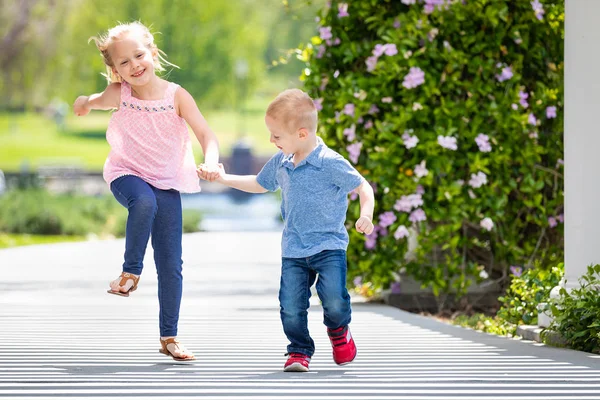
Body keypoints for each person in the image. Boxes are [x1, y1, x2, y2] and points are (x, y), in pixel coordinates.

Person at [73, 21, 221, 361]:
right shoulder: (119, 94)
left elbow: (205, 134)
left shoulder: (176, 96)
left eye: (138, 56)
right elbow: (93, 101)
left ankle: (169, 337)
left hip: (167, 179)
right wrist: (83, 102)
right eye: (123, 63)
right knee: (143, 200)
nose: (134, 66)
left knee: (171, 264)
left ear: (152, 53)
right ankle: (130, 272)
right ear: (115, 70)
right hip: (127, 174)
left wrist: (211, 161)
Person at [198, 88, 375, 372]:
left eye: (276, 136)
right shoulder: (282, 162)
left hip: (329, 246)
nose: (271, 141)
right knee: (291, 306)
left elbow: (362, 187)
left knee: (334, 300)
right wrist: (223, 177)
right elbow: (258, 183)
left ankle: (339, 331)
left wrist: (366, 213)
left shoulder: (330, 163)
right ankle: (299, 350)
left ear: (302, 134)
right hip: (294, 249)